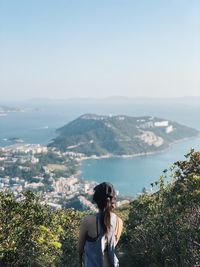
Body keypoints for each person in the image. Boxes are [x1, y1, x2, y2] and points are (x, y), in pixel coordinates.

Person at [78, 182, 123, 267]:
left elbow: (80, 249)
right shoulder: (119, 221)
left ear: (96, 200)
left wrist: (81, 262)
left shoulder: (88, 221)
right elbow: (112, 245)